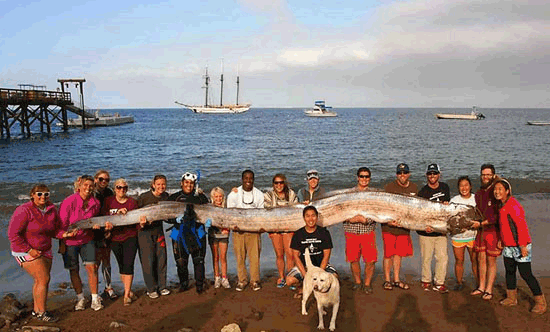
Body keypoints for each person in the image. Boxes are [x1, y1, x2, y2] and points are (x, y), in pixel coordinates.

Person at [8, 184, 61, 322]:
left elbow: (54, 230)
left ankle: (36, 311)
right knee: (43, 279)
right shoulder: (24, 210)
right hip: (24, 250)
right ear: (32, 195)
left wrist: (66, 234)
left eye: (46, 194)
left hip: (45, 249)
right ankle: (42, 313)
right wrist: (29, 250)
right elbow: (13, 234)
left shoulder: (51, 209)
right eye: (39, 194)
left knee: (40, 280)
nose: (43, 196)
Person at [494, 179, 546, 314]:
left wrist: (523, 246)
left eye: (500, 189)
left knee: (526, 274)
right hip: (508, 246)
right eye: (495, 189)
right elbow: (504, 226)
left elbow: (521, 226)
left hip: (520, 245)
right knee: (509, 272)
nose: (497, 191)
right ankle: (511, 298)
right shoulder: (501, 205)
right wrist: (501, 240)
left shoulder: (513, 205)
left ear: (507, 191)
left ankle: (540, 302)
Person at [57, 175, 103, 311]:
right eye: (85, 185)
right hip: (70, 241)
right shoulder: (68, 202)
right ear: (79, 185)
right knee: (74, 270)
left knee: (92, 268)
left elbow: (94, 221)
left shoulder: (96, 203)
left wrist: (96, 226)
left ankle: (95, 299)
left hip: (87, 239)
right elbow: (61, 225)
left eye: (91, 186)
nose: (88, 188)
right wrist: (64, 239)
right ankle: (80, 298)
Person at [168, 172, 209, 294]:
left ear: (194, 184)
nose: (189, 185)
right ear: (181, 183)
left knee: (199, 260)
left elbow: (209, 212)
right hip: (178, 232)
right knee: (181, 261)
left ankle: (200, 285)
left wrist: (208, 221)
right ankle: (184, 284)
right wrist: (173, 220)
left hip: (197, 232)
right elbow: (164, 215)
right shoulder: (174, 198)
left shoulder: (201, 198)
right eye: (186, 182)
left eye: (191, 183)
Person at [101, 178, 139, 306]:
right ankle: (129, 290)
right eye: (119, 187)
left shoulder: (132, 202)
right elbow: (104, 217)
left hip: (130, 237)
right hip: (115, 238)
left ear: (127, 189)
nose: (121, 190)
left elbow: (137, 221)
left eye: (124, 188)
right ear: (114, 189)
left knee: (129, 264)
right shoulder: (108, 201)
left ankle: (127, 295)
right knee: (122, 265)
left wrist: (143, 224)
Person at [227, 169, 265, 291]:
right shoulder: (234, 194)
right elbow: (229, 213)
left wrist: (260, 228)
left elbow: (261, 213)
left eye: (250, 178)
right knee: (240, 257)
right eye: (246, 178)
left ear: (253, 180)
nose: (248, 181)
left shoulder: (259, 194)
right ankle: (242, 280)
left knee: (254, 257)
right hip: (238, 231)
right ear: (242, 179)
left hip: (254, 231)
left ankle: (255, 280)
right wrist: (234, 226)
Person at [286, 206, 337, 292]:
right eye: (307, 216)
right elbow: (296, 256)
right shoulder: (298, 234)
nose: (311, 219)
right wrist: (305, 275)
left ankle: (318, 288)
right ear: (304, 218)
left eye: (313, 215)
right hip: (304, 266)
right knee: (289, 280)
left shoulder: (324, 233)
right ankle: (302, 286)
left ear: (317, 217)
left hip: (321, 266)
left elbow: (326, 256)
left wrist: (320, 273)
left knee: (334, 278)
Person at [382, 163, 416, 291]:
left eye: (405, 173)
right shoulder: (389, 187)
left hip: (404, 227)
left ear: (409, 174)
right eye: (400, 173)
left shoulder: (414, 187)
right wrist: (388, 221)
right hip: (388, 227)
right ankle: (387, 280)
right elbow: (382, 207)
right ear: (397, 175)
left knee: (398, 254)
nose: (402, 175)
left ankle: (396, 279)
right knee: (388, 254)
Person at [417, 164, 451, 293]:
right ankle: (426, 280)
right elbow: (420, 213)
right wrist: (425, 227)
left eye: (435, 173)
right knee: (426, 258)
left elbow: (445, 209)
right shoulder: (422, 192)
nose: (432, 176)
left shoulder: (445, 187)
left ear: (439, 175)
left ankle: (439, 282)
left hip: (441, 231)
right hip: (426, 231)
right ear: (426, 175)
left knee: (442, 258)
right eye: (430, 173)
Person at [343, 167, 377, 294]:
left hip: (367, 231)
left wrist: (366, 220)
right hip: (351, 231)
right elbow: (341, 210)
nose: (364, 179)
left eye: (367, 176)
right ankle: (357, 282)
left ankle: (367, 284)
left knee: (370, 260)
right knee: (353, 259)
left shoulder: (374, 194)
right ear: (358, 177)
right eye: (362, 176)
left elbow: (377, 211)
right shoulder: (348, 193)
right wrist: (350, 219)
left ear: (369, 178)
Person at [470, 164, 501, 301]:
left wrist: (482, 223)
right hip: (481, 231)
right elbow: (477, 212)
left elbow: (497, 216)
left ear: (493, 175)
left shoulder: (496, 191)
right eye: (483, 174)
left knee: (491, 260)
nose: (485, 177)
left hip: (493, 231)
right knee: (480, 259)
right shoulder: (478, 193)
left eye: (488, 174)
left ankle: (489, 289)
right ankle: (481, 287)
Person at [137, 174, 171, 299]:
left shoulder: (166, 197)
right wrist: (141, 223)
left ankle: (162, 287)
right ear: (153, 185)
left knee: (162, 258)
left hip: (158, 230)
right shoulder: (144, 197)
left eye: (163, 184)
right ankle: (151, 288)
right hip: (144, 232)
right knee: (148, 261)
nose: (161, 186)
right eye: (158, 184)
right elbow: (134, 215)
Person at [264, 174, 298, 288]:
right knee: (279, 254)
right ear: (273, 184)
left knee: (290, 254)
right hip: (275, 228)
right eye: (276, 183)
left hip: (288, 227)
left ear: (285, 183)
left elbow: (295, 210)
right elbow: (267, 212)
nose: (279, 185)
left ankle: (290, 277)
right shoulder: (268, 195)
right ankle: (281, 277)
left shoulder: (291, 194)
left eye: (281, 182)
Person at [450, 176, 478, 291]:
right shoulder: (454, 200)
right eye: (461, 185)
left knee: (475, 260)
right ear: (458, 188)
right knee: (459, 260)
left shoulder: (476, 199)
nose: (464, 188)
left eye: (466, 185)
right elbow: (450, 220)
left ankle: (479, 283)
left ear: (470, 186)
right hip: (458, 236)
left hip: (473, 236)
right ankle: (459, 282)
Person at [93, 170, 117, 300]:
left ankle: (108, 287)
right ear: (96, 179)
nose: (104, 182)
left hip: (107, 227)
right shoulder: (91, 192)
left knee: (106, 259)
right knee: (95, 262)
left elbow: (111, 209)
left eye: (107, 180)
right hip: (94, 230)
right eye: (101, 179)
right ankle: (95, 291)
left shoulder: (109, 193)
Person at [208, 187, 231, 289]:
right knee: (215, 257)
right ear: (213, 197)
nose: (218, 199)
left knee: (223, 257)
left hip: (224, 235)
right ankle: (217, 277)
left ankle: (224, 278)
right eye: (216, 196)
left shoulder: (226, 207)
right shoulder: (209, 207)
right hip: (213, 234)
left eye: (220, 196)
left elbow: (230, 220)